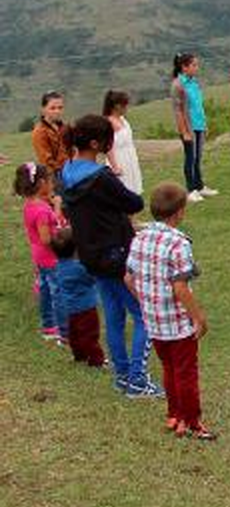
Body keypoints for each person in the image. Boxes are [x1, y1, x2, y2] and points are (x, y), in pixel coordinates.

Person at [60, 114, 160, 397]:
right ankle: (138, 381)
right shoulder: (100, 177)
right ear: (96, 143)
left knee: (115, 317)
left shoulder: (66, 173)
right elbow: (135, 201)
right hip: (117, 255)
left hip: (91, 256)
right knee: (143, 316)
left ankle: (122, 376)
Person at [127, 182, 213, 439]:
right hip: (177, 323)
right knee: (186, 372)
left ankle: (174, 415)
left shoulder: (139, 238)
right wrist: (198, 317)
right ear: (179, 212)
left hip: (153, 321)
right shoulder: (179, 244)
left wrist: (146, 301)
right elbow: (180, 288)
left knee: (168, 368)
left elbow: (129, 279)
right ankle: (192, 422)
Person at [15, 162, 67, 342]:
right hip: (50, 257)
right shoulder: (42, 210)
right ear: (42, 183)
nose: (53, 183)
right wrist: (58, 208)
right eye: (51, 180)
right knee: (58, 292)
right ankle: (64, 332)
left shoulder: (30, 205)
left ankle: (48, 326)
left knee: (45, 290)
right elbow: (46, 238)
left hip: (38, 256)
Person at [50, 228, 106, 367]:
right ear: (76, 249)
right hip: (86, 307)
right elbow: (92, 279)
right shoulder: (79, 268)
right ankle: (96, 360)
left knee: (74, 334)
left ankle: (79, 355)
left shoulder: (58, 266)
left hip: (70, 307)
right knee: (90, 334)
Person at [171, 53, 218, 203]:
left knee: (198, 157)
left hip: (199, 125)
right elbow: (178, 111)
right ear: (184, 67)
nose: (196, 68)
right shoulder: (178, 85)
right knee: (190, 158)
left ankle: (199, 185)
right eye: (194, 65)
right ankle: (190, 189)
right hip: (189, 127)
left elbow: (198, 105)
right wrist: (184, 131)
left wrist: (204, 124)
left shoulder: (194, 82)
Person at [103, 90, 143, 196]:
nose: (127, 107)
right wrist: (115, 166)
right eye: (125, 105)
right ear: (117, 106)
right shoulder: (109, 122)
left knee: (133, 189)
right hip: (119, 159)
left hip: (130, 157)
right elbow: (108, 146)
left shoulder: (122, 119)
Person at [31, 91, 69, 183]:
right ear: (43, 109)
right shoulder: (40, 132)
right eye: (52, 108)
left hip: (70, 173)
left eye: (60, 108)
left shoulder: (65, 127)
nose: (57, 111)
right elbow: (47, 162)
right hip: (55, 178)